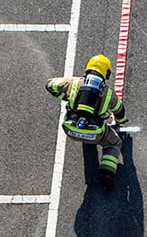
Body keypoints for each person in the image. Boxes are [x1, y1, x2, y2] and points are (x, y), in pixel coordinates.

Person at [46, 55, 128, 190]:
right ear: (106, 73)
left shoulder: (73, 83)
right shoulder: (108, 93)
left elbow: (49, 85)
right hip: (95, 133)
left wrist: (65, 97)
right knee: (114, 143)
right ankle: (106, 173)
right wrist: (120, 122)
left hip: (70, 129)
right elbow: (119, 110)